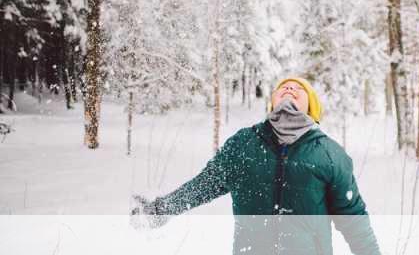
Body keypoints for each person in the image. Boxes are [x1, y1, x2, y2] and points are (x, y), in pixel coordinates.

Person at [132, 77, 381, 255]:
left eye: (298, 88)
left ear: (312, 107)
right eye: (284, 87)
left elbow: (353, 218)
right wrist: (159, 210)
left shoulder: (330, 154)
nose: (290, 88)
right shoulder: (244, 144)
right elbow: (203, 185)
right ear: (272, 101)